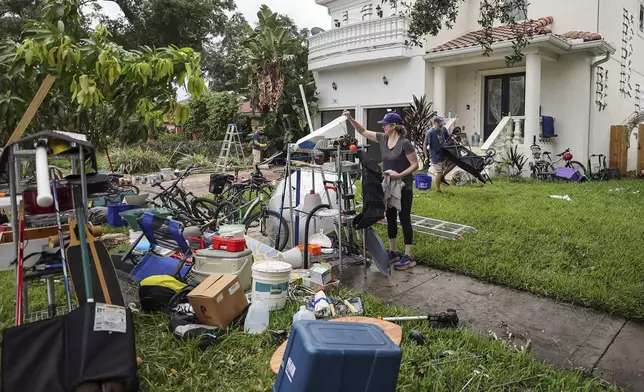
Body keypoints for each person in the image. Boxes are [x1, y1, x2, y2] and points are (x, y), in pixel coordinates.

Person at [343, 109, 419, 270]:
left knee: (404, 219)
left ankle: (409, 256)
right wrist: (350, 119)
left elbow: (415, 165)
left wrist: (400, 175)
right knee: (390, 217)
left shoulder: (404, 143)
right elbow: (362, 131)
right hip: (389, 184)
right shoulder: (383, 138)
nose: (383, 127)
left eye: (385, 124)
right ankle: (393, 251)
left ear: (394, 125)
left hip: (404, 185)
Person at [424, 117, 454, 193]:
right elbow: (425, 144)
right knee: (439, 172)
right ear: (435, 123)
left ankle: (443, 177)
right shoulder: (430, 132)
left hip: (444, 153)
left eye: (442, 124)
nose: (441, 125)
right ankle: (438, 190)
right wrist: (426, 157)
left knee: (454, 162)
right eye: (439, 124)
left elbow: (448, 138)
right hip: (435, 156)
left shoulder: (443, 129)